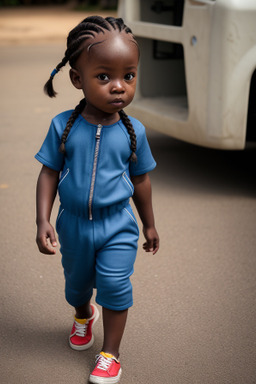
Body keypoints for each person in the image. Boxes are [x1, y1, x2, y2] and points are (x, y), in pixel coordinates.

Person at [35, 15, 159, 384]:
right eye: (104, 76)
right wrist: (42, 220)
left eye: (129, 75)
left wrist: (149, 224)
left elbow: (141, 180)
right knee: (76, 285)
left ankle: (111, 353)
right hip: (72, 224)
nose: (118, 87)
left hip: (117, 225)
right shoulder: (62, 126)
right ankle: (82, 314)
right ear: (78, 79)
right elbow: (48, 174)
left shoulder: (134, 131)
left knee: (116, 285)